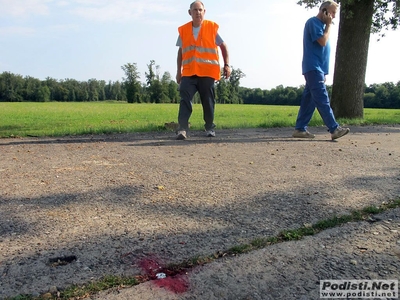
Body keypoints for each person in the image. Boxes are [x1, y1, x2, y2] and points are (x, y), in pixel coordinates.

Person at [292, 0, 350, 140]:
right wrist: (328, 25)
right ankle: (334, 128)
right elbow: (322, 42)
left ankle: (300, 129)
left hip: (318, 69)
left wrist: (323, 72)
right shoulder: (313, 22)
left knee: (309, 99)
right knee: (322, 98)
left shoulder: (323, 26)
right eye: (332, 13)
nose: (334, 17)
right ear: (324, 10)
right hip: (313, 67)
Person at [175, 1, 231, 140]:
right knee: (185, 99)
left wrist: (227, 65)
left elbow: (223, 46)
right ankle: (182, 129)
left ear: (204, 12)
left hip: (207, 72)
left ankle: (209, 127)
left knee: (208, 101)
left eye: (200, 10)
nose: (198, 12)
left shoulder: (211, 28)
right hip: (189, 72)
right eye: (195, 10)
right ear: (190, 12)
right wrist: (178, 71)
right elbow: (180, 52)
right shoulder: (184, 30)